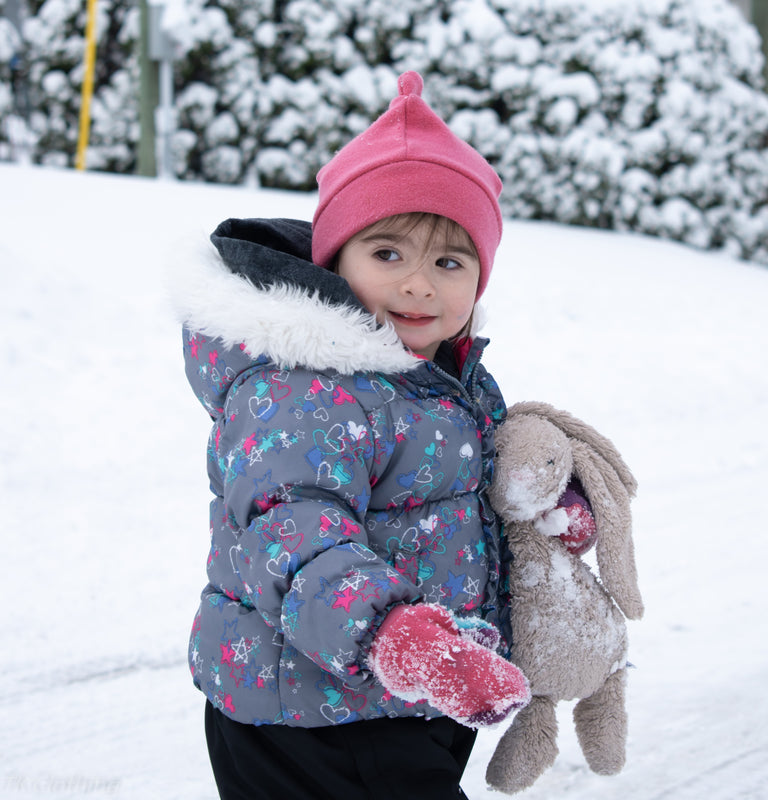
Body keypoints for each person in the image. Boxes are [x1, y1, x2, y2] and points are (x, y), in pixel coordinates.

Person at [176, 70, 595, 800]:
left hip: (406, 698)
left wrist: (545, 504)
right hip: (307, 717)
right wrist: (392, 634)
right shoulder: (302, 390)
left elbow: (472, 481)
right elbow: (294, 533)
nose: (418, 285)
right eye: (388, 253)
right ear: (337, 259)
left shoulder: (444, 375)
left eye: (449, 261)